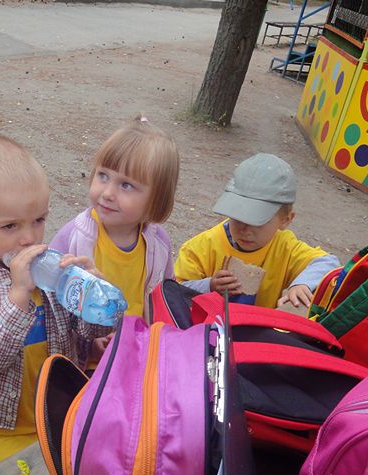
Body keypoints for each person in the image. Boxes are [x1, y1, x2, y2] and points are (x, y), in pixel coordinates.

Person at [0, 134, 108, 475]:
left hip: (51, 408)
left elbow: (89, 334)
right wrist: (17, 296)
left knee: (100, 459)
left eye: (38, 220)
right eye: (10, 226)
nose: (29, 238)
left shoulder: (53, 267)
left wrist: (92, 298)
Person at [50, 116, 178, 360]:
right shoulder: (74, 237)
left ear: (155, 201)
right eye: (103, 175)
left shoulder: (158, 243)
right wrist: (89, 340)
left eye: (126, 185)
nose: (107, 193)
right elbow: (51, 306)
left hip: (137, 354)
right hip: (85, 360)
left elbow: (164, 298)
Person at [175, 153, 340, 309]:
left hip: (260, 333)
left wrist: (302, 284)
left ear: (286, 219)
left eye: (258, 220)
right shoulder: (202, 247)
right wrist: (208, 285)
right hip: (210, 331)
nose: (245, 229)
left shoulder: (286, 247)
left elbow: (328, 263)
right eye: (238, 216)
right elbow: (173, 290)